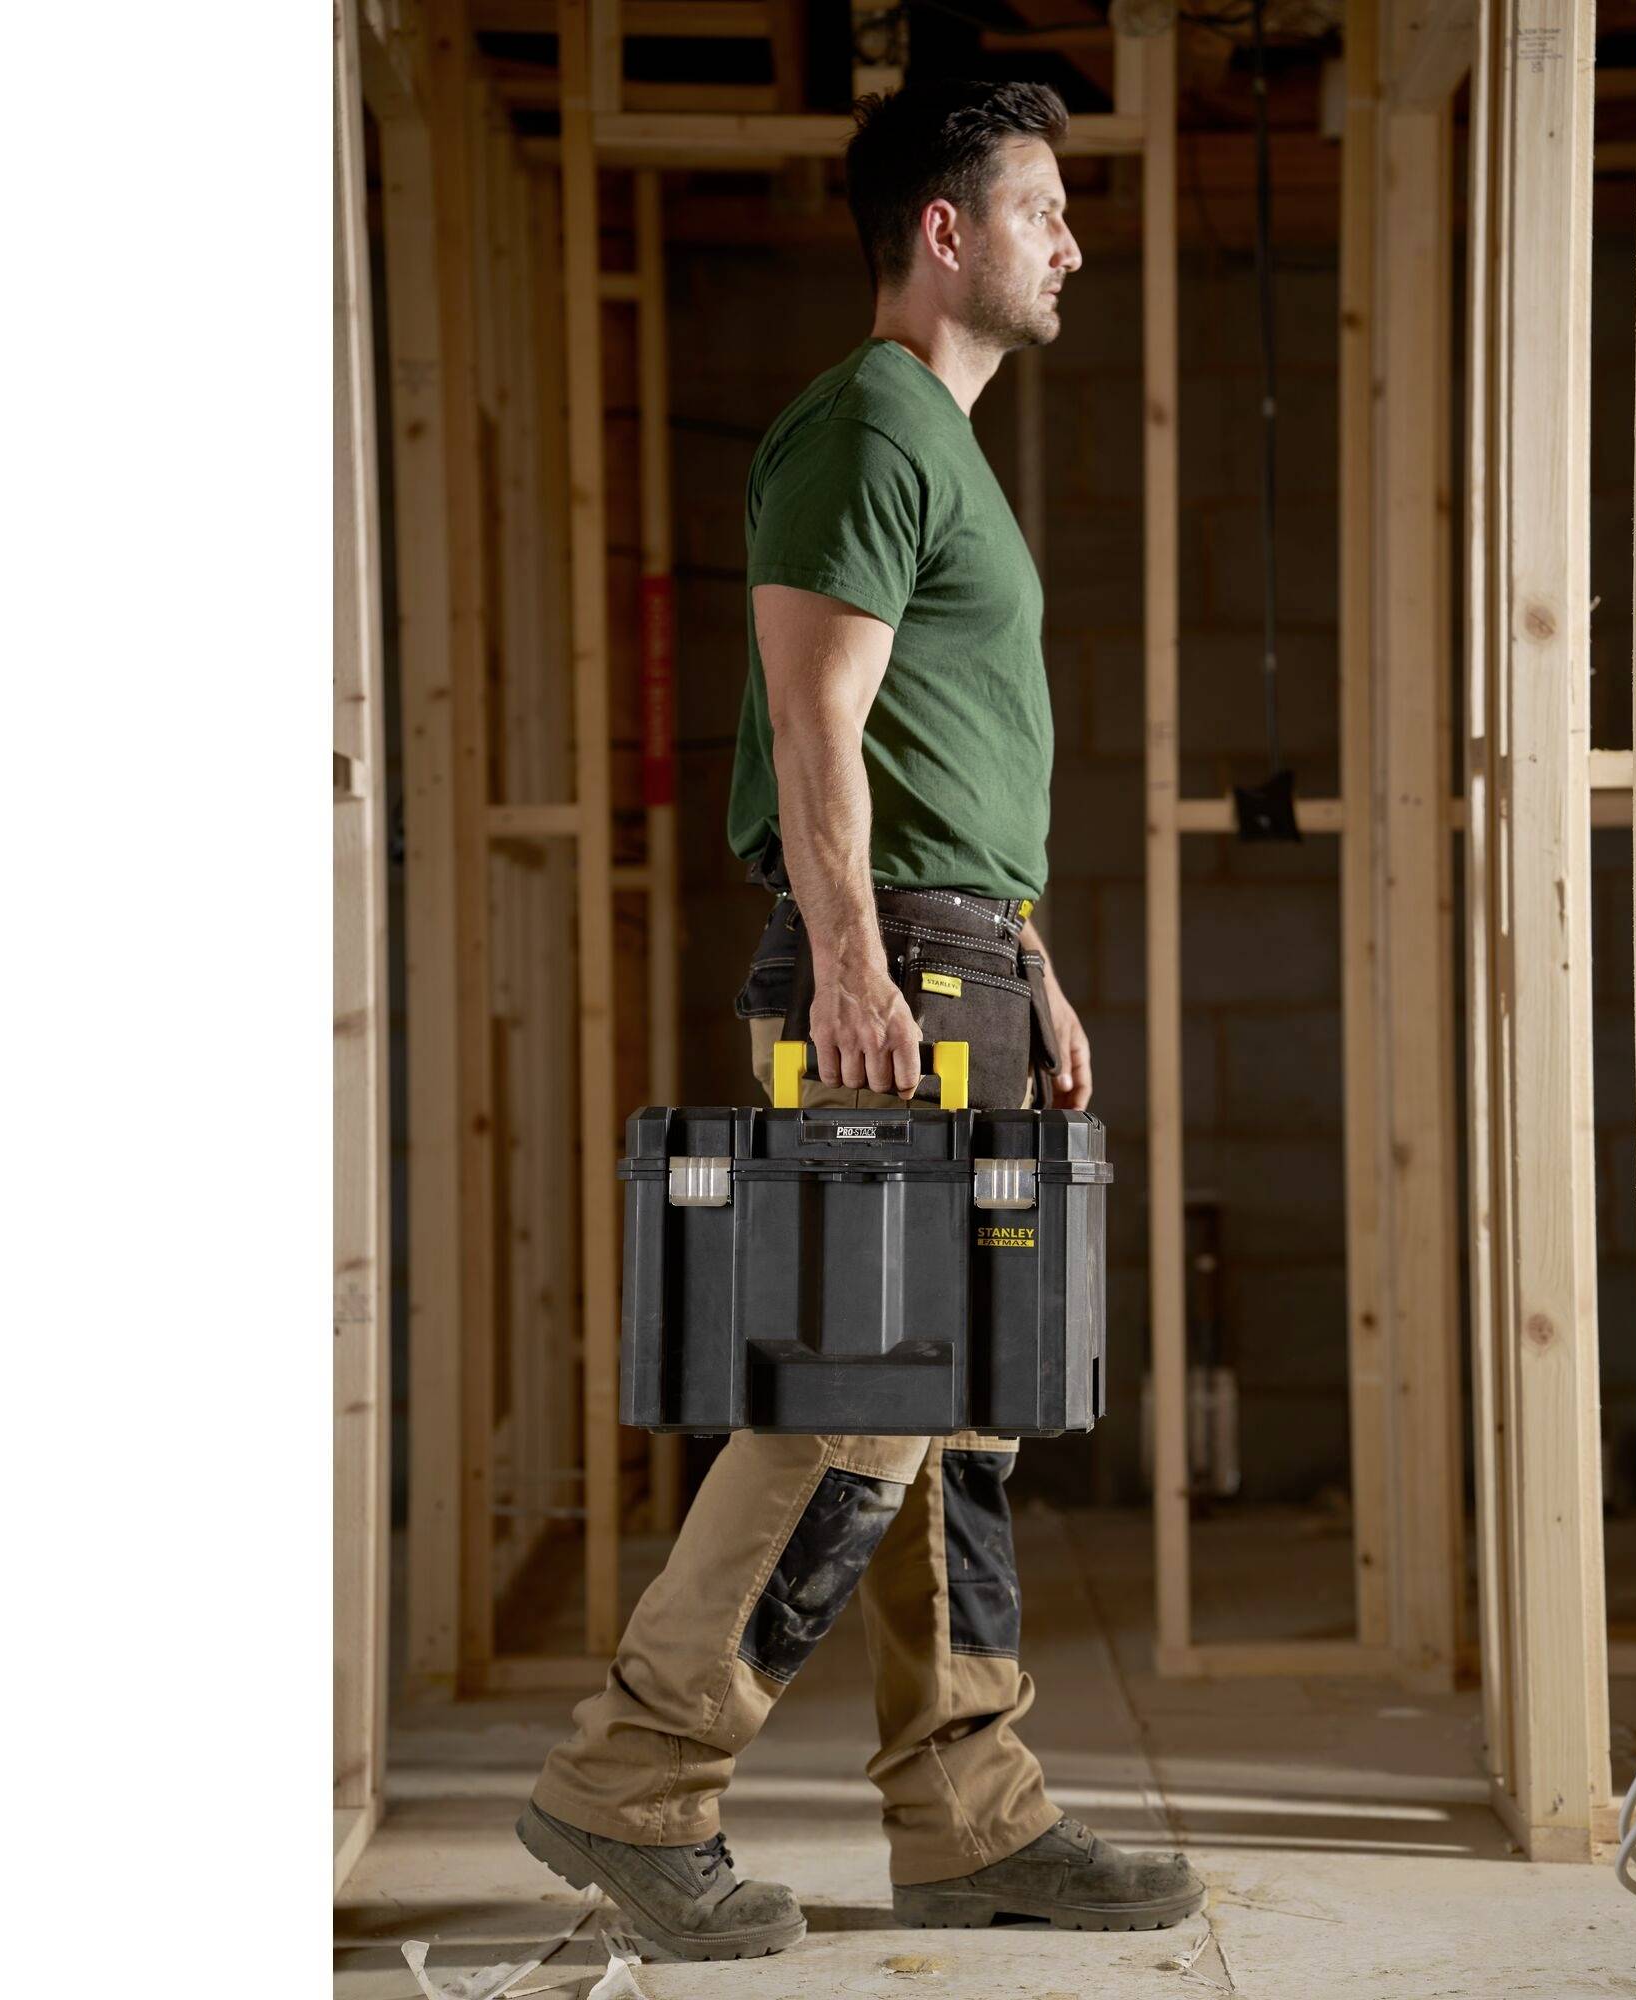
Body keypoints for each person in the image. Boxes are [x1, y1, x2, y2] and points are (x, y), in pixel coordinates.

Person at [516, 78, 1205, 1962]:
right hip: (885, 966)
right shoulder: (868, 424)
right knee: (855, 1408)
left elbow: (937, 754)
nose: (1074, 241)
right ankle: (635, 1783)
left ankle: (971, 1812)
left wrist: (1033, 957)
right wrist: (850, 965)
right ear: (945, 230)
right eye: (1046, 209)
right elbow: (817, 716)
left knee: (961, 1413)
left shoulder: (944, 448)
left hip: (961, 955)